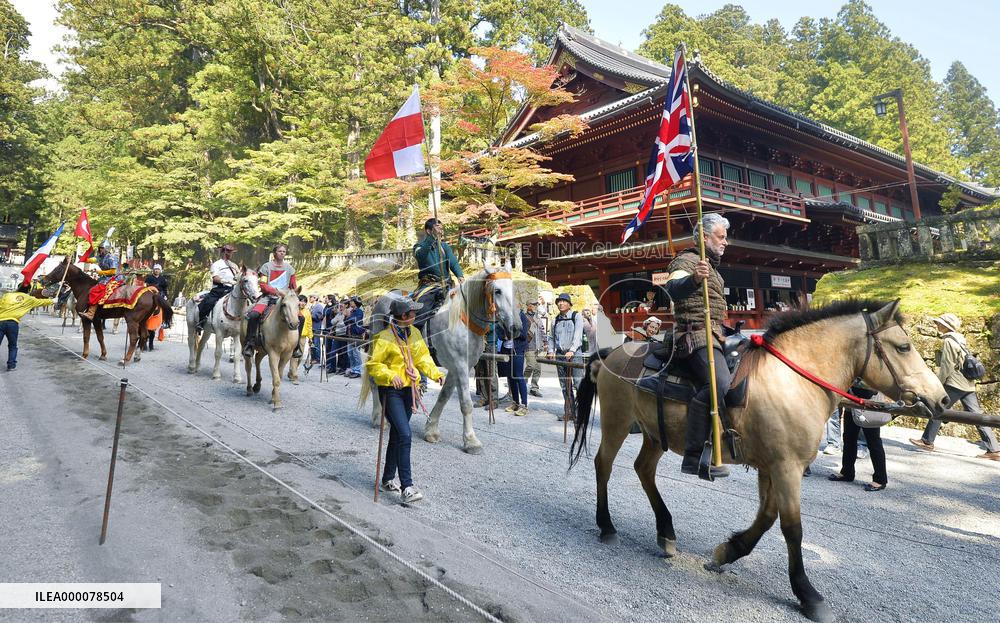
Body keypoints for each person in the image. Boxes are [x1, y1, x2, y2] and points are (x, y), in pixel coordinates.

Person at [638, 213, 732, 479]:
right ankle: (693, 456)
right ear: (704, 237)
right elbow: (673, 289)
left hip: (716, 334)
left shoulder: (711, 267)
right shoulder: (686, 261)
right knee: (718, 383)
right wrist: (692, 280)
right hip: (694, 336)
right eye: (720, 237)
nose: (726, 242)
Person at [367, 297, 444, 503]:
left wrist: (436, 373)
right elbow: (373, 365)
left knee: (398, 434)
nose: (415, 315)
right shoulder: (384, 337)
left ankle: (387, 479)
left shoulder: (416, 333)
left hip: (410, 390)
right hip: (391, 391)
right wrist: (391, 375)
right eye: (413, 313)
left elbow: (423, 358)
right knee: (405, 434)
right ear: (403, 316)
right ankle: (407, 486)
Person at [910, 313, 999, 461]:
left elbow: (947, 366)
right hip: (967, 384)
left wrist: (938, 382)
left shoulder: (949, 342)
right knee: (977, 416)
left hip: (955, 383)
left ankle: (927, 441)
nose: (937, 325)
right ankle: (994, 449)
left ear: (946, 326)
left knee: (938, 409)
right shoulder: (960, 340)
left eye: (939, 323)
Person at [244, 243, 300, 358]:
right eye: (280, 251)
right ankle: (250, 343)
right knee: (254, 315)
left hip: (284, 299)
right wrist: (276, 291)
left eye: (284, 251)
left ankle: (296, 346)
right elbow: (263, 285)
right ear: (274, 253)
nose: (282, 253)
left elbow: (293, 286)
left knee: (301, 317)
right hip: (267, 297)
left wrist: (293, 295)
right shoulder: (266, 267)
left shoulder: (290, 269)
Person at [828, 384, 887, 491]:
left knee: (874, 442)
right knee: (848, 438)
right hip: (852, 405)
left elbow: (871, 390)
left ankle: (880, 479)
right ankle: (847, 472)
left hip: (869, 404)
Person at [547, 292, 583, 421]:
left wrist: (572, 350)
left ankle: (580, 412)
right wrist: (551, 351)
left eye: (564, 301)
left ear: (569, 304)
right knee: (564, 384)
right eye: (559, 301)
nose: (561, 303)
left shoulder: (576, 316)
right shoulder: (555, 319)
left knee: (578, 383)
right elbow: (550, 337)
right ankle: (569, 411)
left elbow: (578, 335)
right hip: (560, 355)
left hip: (575, 354)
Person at [0, 287, 54, 370]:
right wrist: (53, 301)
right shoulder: (29, 299)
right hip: (13, 323)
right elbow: (42, 302)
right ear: (28, 290)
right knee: (12, 346)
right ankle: (11, 365)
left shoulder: (7, 295)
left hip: (0, 321)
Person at [197, 244, 238, 332]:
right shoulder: (217, 264)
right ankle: (201, 321)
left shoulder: (234, 265)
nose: (231, 254)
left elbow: (238, 276)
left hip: (232, 289)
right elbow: (215, 278)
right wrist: (226, 281)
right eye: (229, 252)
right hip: (219, 289)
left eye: (232, 252)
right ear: (224, 252)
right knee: (208, 302)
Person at [413, 218, 464, 288]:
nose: (440, 232)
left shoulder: (444, 246)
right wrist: (433, 237)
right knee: (425, 298)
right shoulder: (419, 246)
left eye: (441, 229)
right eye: (437, 229)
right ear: (428, 231)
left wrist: (459, 275)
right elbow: (420, 256)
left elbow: (453, 262)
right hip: (428, 284)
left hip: (446, 284)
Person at [80, 241, 122, 320]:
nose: (100, 250)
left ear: (106, 249)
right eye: (100, 248)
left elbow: (113, 271)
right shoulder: (100, 257)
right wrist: (84, 258)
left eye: (102, 248)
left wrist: (100, 272)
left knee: (95, 291)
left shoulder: (111, 258)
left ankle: (91, 313)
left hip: (113, 278)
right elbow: (91, 260)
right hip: (104, 277)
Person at [504, 305, 531, 416]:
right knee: (510, 377)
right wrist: (503, 336)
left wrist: (511, 334)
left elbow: (523, 334)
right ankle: (515, 402)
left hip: (518, 349)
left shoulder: (521, 316)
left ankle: (524, 405)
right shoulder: (505, 316)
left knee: (518, 376)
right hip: (507, 349)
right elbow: (500, 331)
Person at [524, 300, 546, 398]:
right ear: (528, 306)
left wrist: (545, 342)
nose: (534, 306)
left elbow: (542, 330)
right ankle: (522, 383)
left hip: (539, 347)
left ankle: (534, 388)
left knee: (538, 369)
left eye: (536, 305)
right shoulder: (524, 317)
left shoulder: (538, 318)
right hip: (529, 346)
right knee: (531, 366)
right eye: (533, 304)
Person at [144, 263, 171, 329]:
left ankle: (165, 322)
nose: (156, 270)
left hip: (161, 294)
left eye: (158, 269)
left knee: (166, 306)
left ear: (160, 270)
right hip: (151, 293)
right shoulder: (149, 278)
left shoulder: (162, 279)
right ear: (153, 270)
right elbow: (145, 286)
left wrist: (165, 295)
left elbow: (165, 288)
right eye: (155, 269)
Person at [345, 296, 365, 378]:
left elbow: (354, 320)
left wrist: (348, 316)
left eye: (352, 301)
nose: (350, 303)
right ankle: (353, 369)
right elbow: (345, 321)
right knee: (350, 353)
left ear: (356, 302)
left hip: (356, 335)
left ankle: (358, 370)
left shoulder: (359, 311)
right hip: (349, 334)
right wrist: (348, 317)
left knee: (356, 353)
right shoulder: (351, 311)